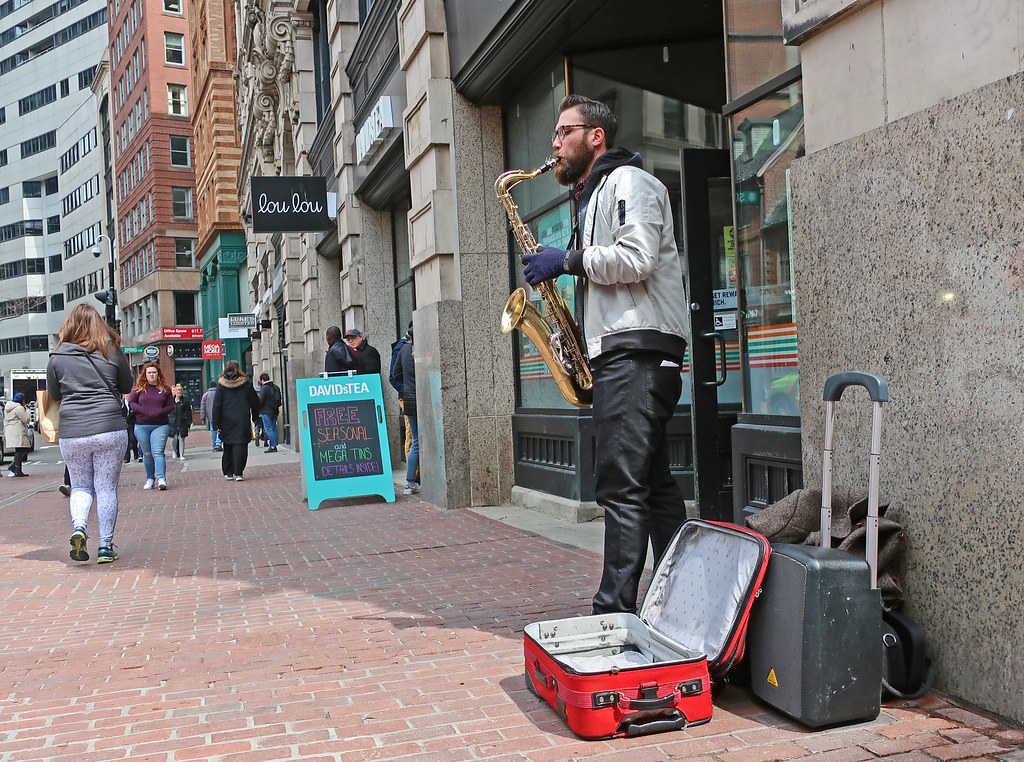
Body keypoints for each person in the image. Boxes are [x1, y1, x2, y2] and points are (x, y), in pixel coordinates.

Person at [520, 94, 690, 615]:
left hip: (636, 351)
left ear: (596, 136)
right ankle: (678, 601)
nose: (553, 146)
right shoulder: (592, 195)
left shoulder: (630, 182)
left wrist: (567, 260)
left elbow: (637, 258)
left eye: (563, 133)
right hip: (623, 351)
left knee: (621, 488)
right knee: (654, 488)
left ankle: (613, 610)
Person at [45, 303, 133, 563]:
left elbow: (54, 394)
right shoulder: (111, 350)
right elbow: (127, 385)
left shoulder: (58, 355)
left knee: (81, 485)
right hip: (108, 427)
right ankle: (105, 547)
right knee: (106, 489)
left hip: (73, 431)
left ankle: (79, 528)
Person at [128, 363, 175, 491]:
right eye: (149, 373)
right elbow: (131, 402)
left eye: (154, 372)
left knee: (158, 452)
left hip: (160, 425)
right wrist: (141, 410)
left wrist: (160, 411)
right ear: (145, 374)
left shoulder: (165, 389)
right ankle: (150, 478)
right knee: (147, 454)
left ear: (158, 373)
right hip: (142, 425)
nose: (152, 375)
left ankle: (161, 479)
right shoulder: (138, 388)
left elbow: (171, 406)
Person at [212, 360, 259, 481]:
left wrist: (216, 423)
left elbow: (216, 405)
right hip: (242, 419)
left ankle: (228, 472)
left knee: (228, 445)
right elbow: (255, 402)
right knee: (241, 445)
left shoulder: (221, 386)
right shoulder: (246, 384)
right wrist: (255, 416)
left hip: (226, 420)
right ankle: (239, 472)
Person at [389, 326, 419, 495]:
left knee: (415, 441)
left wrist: (407, 386)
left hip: (409, 398)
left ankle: (410, 482)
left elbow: (395, 375)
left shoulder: (403, 350)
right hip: (424, 398)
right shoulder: (424, 349)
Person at [388, 322, 414, 466]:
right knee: (410, 435)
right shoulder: (402, 347)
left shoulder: (409, 344)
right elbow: (393, 377)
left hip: (413, 395)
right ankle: (414, 476)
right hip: (408, 397)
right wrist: (406, 391)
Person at [3, 392, 32, 478]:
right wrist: (28, 410)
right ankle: (16, 469)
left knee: (19, 449)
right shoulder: (19, 408)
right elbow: (26, 419)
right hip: (18, 430)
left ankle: (15, 468)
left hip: (10, 430)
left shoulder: (8, 407)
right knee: (22, 449)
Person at [256, 372, 282, 453]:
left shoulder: (264, 388)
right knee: (274, 427)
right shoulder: (276, 387)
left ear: (262, 380)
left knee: (269, 429)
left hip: (266, 411)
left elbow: (260, 400)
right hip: (275, 410)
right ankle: (275, 444)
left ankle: (273, 446)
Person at [168, 384, 193, 460]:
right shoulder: (170, 401)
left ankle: (181, 454)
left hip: (182, 422)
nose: (179, 395)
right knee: (174, 439)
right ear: (175, 392)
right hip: (173, 422)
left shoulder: (185, 401)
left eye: (180, 393)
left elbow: (188, 412)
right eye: (177, 393)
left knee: (181, 438)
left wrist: (189, 423)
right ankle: (175, 450)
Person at [199, 380, 221, 451]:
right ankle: (218, 443)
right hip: (219, 415)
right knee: (219, 429)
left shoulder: (205, 395)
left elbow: (203, 406)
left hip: (210, 416)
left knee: (213, 430)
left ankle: (214, 444)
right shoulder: (219, 394)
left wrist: (203, 418)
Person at [123, 394, 141, 463]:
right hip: (124, 424)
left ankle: (135, 452)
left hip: (132, 423)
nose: (128, 396)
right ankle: (127, 457)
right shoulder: (122, 403)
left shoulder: (133, 403)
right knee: (126, 441)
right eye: (126, 395)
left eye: (129, 394)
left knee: (133, 439)